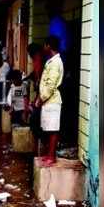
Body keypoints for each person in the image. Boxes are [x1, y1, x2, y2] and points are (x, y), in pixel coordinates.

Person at [36, 36, 64, 166]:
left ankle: (51, 156)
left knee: (53, 130)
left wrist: (41, 99)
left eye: (44, 45)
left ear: (48, 46)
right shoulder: (52, 61)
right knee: (48, 128)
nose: (43, 48)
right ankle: (49, 154)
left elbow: (51, 85)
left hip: (52, 100)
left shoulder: (55, 63)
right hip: (49, 100)